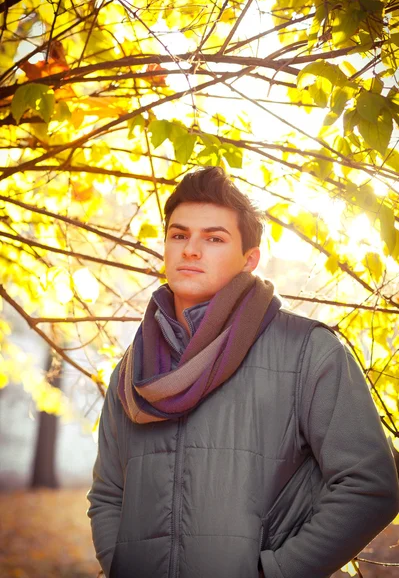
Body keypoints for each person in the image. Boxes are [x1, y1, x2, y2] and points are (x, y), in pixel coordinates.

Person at [87, 166, 399, 578]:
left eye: (214, 238)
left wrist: (276, 573)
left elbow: (370, 484)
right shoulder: (135, 369)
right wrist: (121, 564)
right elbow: (108, 495)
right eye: (179, 235)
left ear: (249, 259)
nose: (190, 250)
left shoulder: (307, 350)